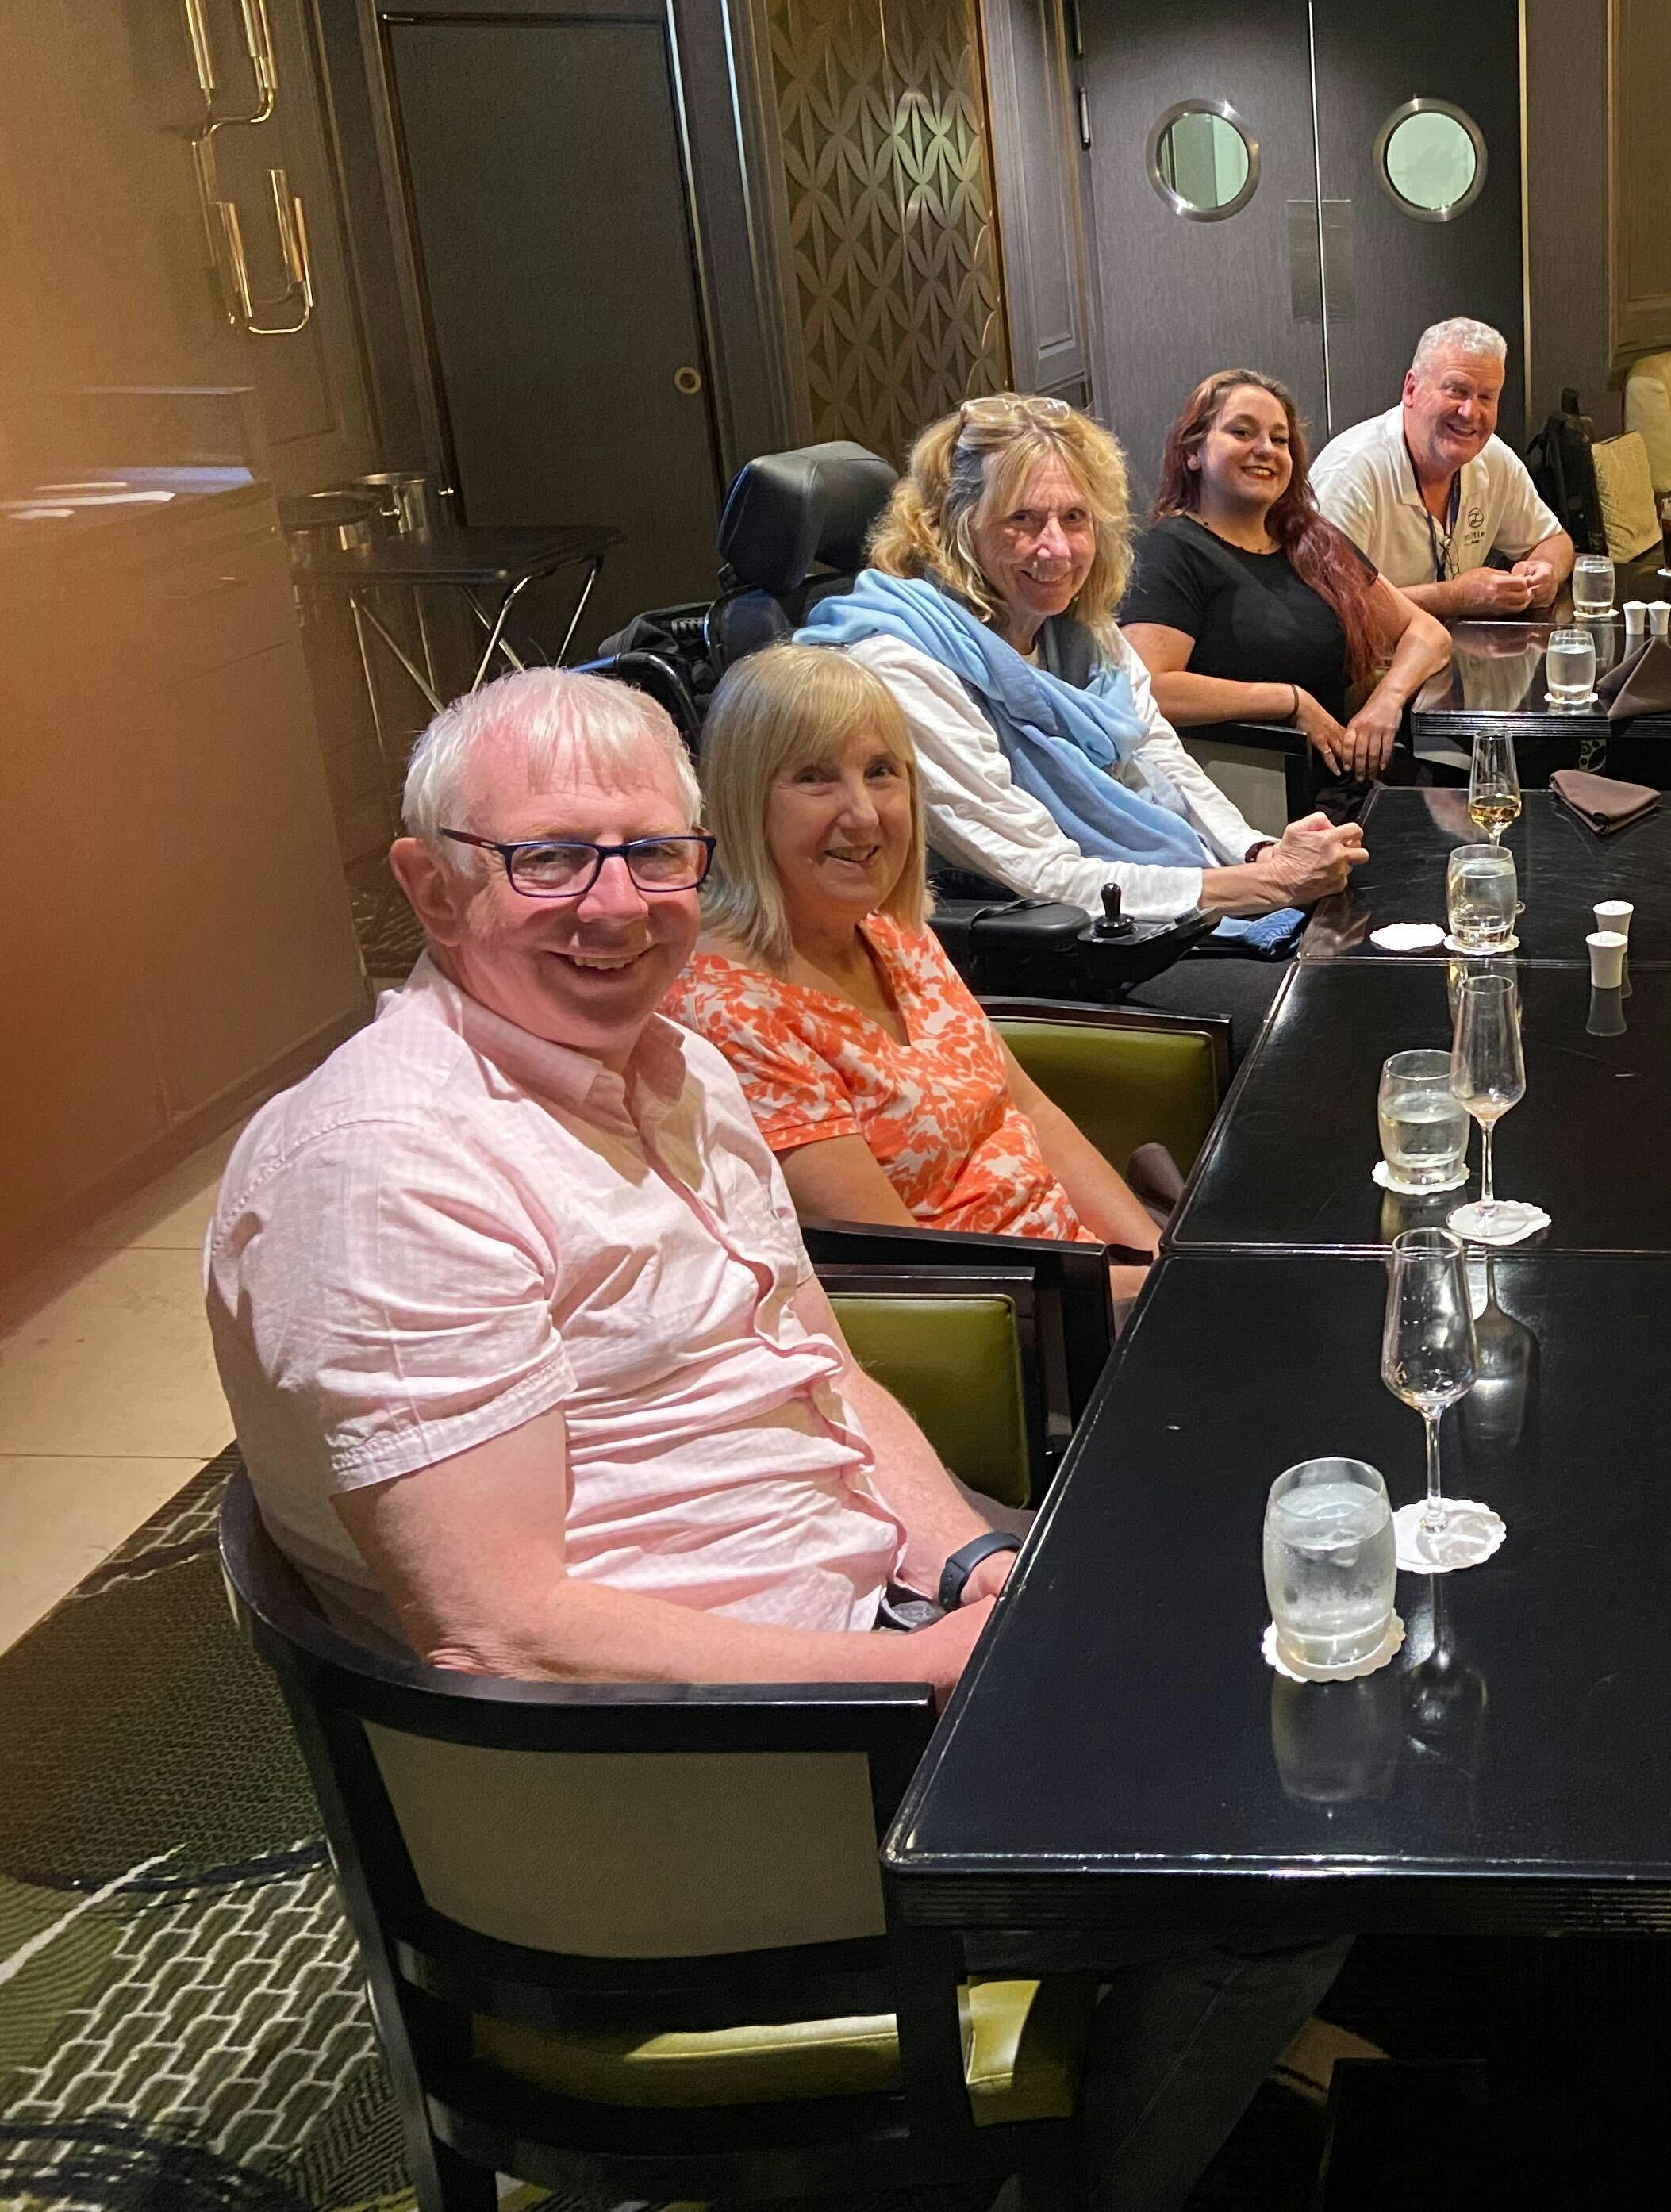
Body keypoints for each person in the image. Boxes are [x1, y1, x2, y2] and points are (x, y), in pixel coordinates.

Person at [205, 669, 1339, 2212]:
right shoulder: (393, 1168)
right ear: (431, 880)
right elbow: (499, 1630)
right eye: (548, 857)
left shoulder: (675, 1068)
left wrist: (975, 1561)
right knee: (1293, 1837)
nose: (614, 903)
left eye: (651, 852)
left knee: (1291, 1629)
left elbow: (825, 1379)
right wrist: (921, 1675)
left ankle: (1177, 2047)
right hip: (683, 1801)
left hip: (838, 1638)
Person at [793, 394, 1364, 1022]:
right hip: (1046, 953)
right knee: (1320, 1009)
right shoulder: (902, 667)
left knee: (1360, 954)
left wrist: (1256, 853)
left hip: (1147, 919)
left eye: (1075, 518)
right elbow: (1043, 877)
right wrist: (1260, 887)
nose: (1057, 550)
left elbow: (1160, 760)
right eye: (1023, 520)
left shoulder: (1077, 628)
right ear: (954, 527)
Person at [665, 644, 1166, 1296]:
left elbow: (1030, 1111)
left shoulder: (892, 929)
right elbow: (918, 1281)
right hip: (1014, 1336)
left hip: (1094, 1273)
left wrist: (1154, 1261)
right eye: (815, 778)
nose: (865, 814)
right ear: (742, 800)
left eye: (880, 772)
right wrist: (1141, 1296)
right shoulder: (731, 1012)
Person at [1120, 367, 1454, 787]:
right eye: (1242, 433)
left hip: (1348, 780)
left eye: (1279, 440)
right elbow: (1150, 690)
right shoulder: (1169, 551)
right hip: (1253, 793)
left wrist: (1386, 700)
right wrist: (1288, 700)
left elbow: (1428, 635)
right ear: (1193, 453)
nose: (1265, 449)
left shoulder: (1311, 540)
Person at [1310, 316, 1575, 620]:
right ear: (1411, 389)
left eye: (1486, 397)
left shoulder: (1492, 457)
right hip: (1372, 664)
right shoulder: (1349, 474)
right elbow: (1331, 611)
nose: (1470, 412)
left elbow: (1554, 541)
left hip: (1459, 656)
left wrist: (1545, 571)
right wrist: (1455, 598)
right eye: (1456, 391)